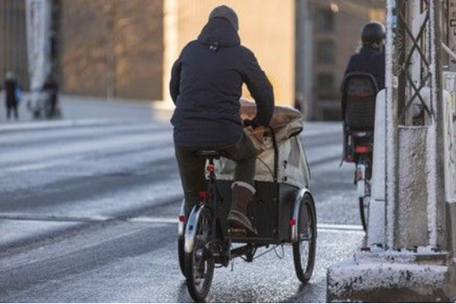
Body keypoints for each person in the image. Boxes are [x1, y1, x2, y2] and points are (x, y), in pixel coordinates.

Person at [170, 5, 274, 233]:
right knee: (247, 156)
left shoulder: (189, 50)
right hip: (225, 134)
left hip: (185, 134)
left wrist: (190, 113)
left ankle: (193, 247)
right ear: (235, 30)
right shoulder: (242, 55)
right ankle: (237, 209)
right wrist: (260, 122)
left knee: (192, 196)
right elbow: (264, 93)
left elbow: (174, 89)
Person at [343, 22, 386, 90]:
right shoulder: (383, 60)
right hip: (376, 100)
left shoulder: (354, 59)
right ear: (380, 41)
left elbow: (343, 87)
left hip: (354, 100)